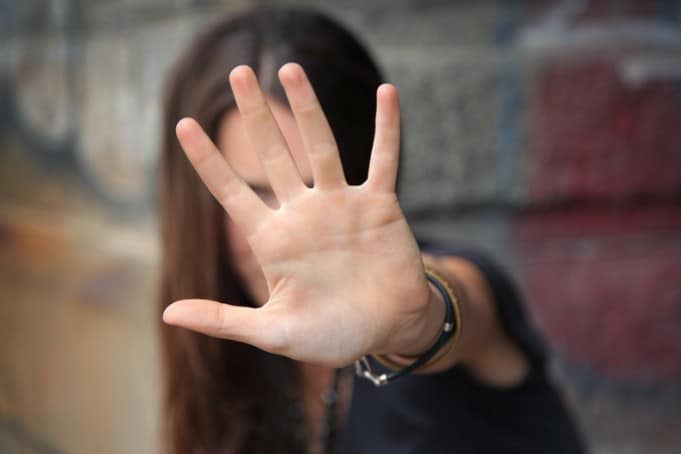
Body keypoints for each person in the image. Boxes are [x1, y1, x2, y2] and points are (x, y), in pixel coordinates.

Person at [157, 7, 586, 454]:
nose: (284, 230)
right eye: (252, 193)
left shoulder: (451, 284)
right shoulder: (228, 354)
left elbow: (458, 308)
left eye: (313, 193)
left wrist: (416, 326)